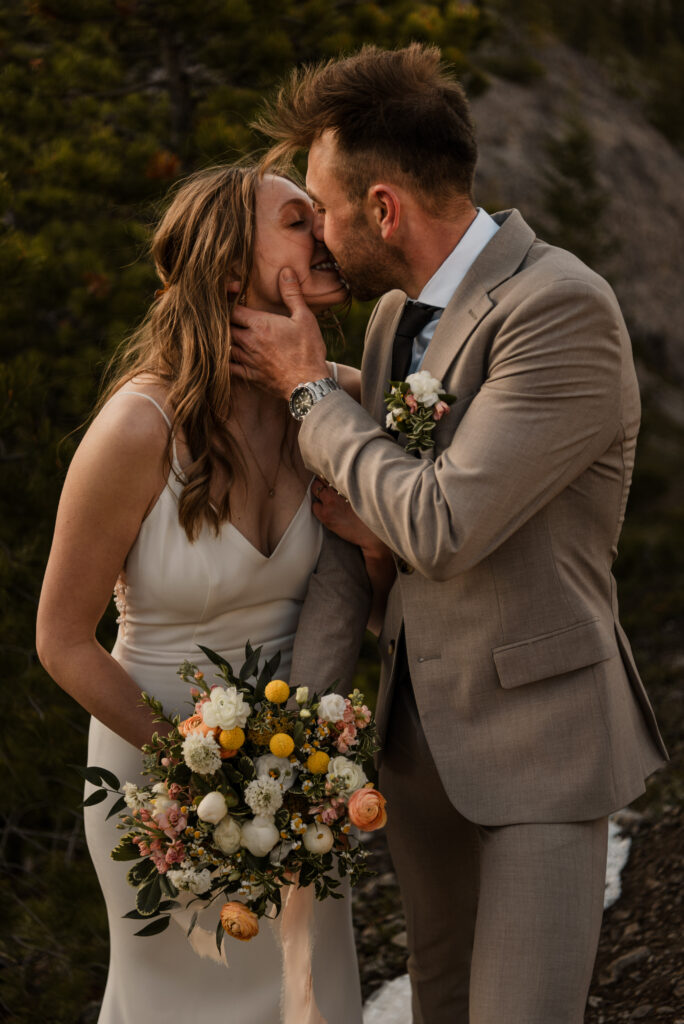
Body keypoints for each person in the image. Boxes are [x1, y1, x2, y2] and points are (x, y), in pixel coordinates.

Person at [229, 44, 668, 1024]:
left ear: (382, 209)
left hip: (537, 744)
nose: (321, 234)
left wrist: (306, 387)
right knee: (443, 1005)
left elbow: (443, 517)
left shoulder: (561, 308)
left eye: (323, 208)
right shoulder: (394, 321)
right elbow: (388, 465)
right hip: (419, 741)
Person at [36, 164, 380, 1024]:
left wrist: (299, 763)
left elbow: (381, 579)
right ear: (233, 272)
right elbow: (62, 638)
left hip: (301, 779)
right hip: (155, 778)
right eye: (299, 222)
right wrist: (193, 772)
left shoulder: (338, 404)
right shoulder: (139, 427)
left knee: (312, 995)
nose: (327, 234)